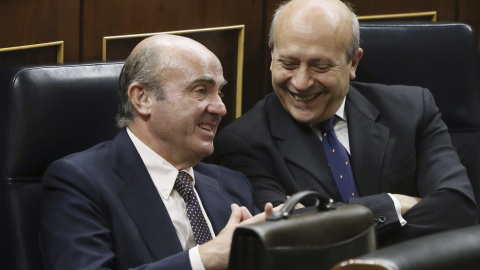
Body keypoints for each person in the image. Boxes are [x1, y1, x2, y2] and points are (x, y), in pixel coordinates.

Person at [212, 0, 477, 246]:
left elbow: (459, 208)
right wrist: (394, 204)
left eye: (320, 67)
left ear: (353, 62)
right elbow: (293, 235)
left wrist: (333, 222)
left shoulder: (413, 108)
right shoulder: (242, 142)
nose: (301, 82)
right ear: (272, 56)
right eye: (288, 63)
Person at [39, 34, 274, 270]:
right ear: (142, 98)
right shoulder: (79, 184)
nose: (221, 108)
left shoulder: (232, 184)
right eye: (201, 90)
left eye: (219, 92)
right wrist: (203, 259)